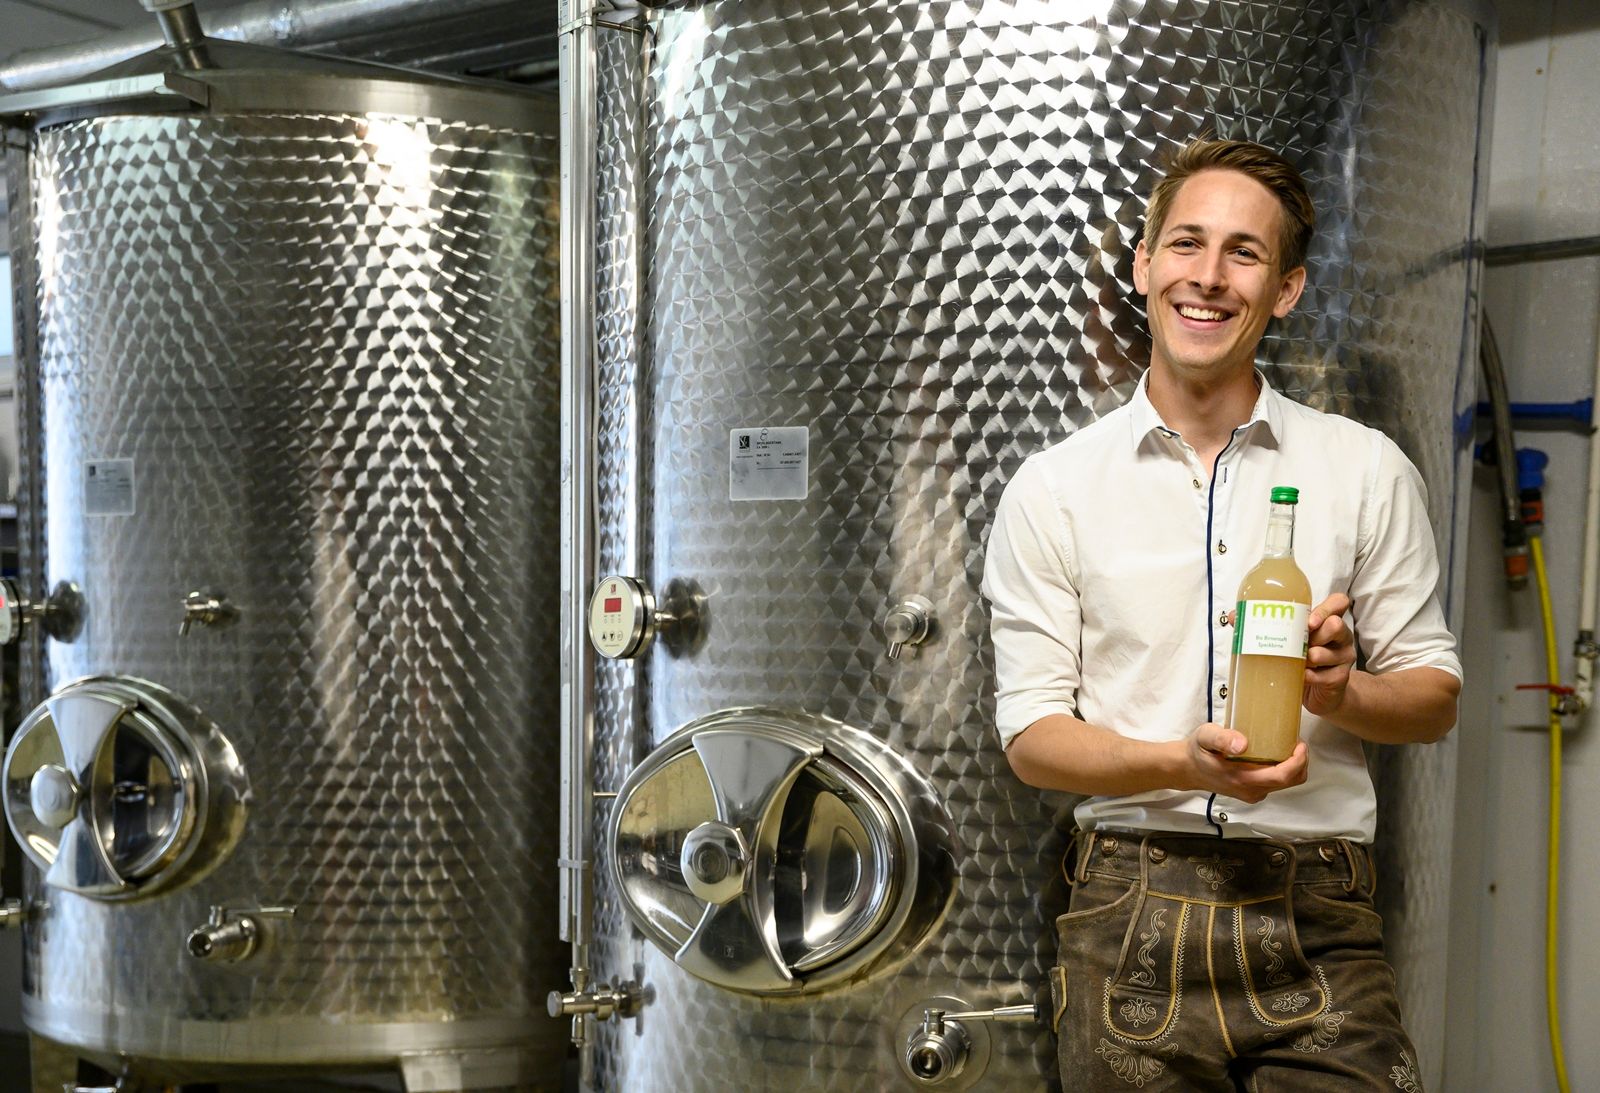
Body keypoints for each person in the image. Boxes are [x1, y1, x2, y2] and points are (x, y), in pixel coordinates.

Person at [981, 138, 1462, 1091]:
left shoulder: (1364, 470)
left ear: (1284, 290)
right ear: (1143, 265)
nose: (1208, 276)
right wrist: (1181, 764)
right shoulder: (1054, 490)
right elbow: (1033, 736)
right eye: (1186, 244)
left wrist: (1345, 688)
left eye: (1243, 253)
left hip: (1317, 904)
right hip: (1126, 899)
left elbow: (1434, 698)